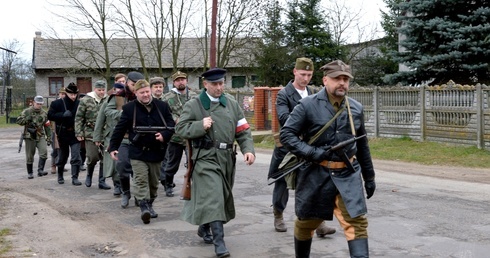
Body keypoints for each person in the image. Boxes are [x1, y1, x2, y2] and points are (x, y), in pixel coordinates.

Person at [280, 60, 376, 258]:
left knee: (357, 223)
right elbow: (287, 135)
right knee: (306, 223)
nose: (342, 83)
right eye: (337, 78)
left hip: (348, 173)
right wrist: (312, 153)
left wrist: (369, 177)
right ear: (325, 80)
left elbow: (362, 145)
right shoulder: (307, 105)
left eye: (345, 79)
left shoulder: (356, 108)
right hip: (316, 174)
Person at [176, 68, 255, 258]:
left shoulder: (232, 104)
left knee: (220, 196)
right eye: (214, 84)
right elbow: (180, 128)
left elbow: (243, 130)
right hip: (205, 158)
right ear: (205, 85)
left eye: (221, 84)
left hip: (227, 158)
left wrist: (248, 150)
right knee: (214, 197)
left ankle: (204, 227)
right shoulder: (194, 105)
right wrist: (199, 126)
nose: (219, 88)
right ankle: (220, 243)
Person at [268, 57, 336, 236]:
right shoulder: (284, 94)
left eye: (309, 74)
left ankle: (317, 223)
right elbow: (284, 119)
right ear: (295, 72)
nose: (306, 78)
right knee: (282, 183)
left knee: (313, 184)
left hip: (310, 146)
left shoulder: (314, 91)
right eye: (303, 74)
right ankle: (279, 215)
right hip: (288, 147)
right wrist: (309, 124)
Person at [109, 79, 175, 224]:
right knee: (140, 179)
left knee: (153, 183)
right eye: (141, 92)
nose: (145, 95)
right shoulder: (129, 109)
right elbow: (119, 130)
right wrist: (113, 147)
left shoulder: (162, 106)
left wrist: (164, 135)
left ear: (150, 91)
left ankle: (150, 203)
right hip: (137, 151)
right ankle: (144, 206)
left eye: (147, 92)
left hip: (157, 151)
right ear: (136, 93)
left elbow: (171, 125)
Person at [105, 71, 144, 208]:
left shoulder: (143, 97)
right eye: (133, 84)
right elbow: (107, 111)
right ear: (127, 83)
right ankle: (126, 192)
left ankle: (139, 195)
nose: (136, 87)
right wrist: (122, 113)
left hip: (140, 138)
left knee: (139, 169)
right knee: (122, 165)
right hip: (123, 137)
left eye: (138, 85)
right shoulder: (118, 97)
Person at [160, 71, 197, 197]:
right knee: (172, 163)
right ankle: (168, 184)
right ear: (174, 82)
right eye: (178, 80)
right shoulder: (167, 97)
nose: (181, 82)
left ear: (186, 81)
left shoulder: (194, 95)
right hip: (175, 136)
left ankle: (192, 185)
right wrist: (175, 118)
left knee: (193, 161)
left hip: (191, 135)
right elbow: (165, 114)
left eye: (183, 79)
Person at [75, 80, 113, 190]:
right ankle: (89, 176)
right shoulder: (86, 100)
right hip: (90, 132)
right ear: (95, 89)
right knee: (92, 157)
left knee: (104, 158)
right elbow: (79, 117)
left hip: (105, 133)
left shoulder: (108, 99)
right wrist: (79, 132)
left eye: (103, 90)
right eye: (99, 90)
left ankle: (102, 181)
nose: (101, 92)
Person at [93, 81, 126, 196]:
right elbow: (100, 120)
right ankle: (117, 185)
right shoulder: (108, 101)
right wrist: (97, 137)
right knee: (114, 162)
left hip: (125, 136)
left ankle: (124, 185)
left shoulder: (128, 99)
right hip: (110, 135)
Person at [48, 83, 83, 185]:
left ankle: (75, 177)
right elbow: (50, 115)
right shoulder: (57, 103)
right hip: (62, 133)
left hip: (75, 133)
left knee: (76, 156)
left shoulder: (79, 104)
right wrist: (62, 115)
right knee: (63, 156)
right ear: (66, 93)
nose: (73, 96)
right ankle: (60, 175)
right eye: (71, 94)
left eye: (75, 94)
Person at [17, 96, 52, 179]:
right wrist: (27, 119)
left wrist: (49, 137)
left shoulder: (44, 113)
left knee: (43, 152)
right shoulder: (27, 111)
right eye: (37, 103)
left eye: (41, 104)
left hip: (40, 134)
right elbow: (18, 121)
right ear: (33, 103)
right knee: (30, 155)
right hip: (29, 135)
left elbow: (47, 125)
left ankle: (40, 170)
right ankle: (30, 172)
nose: (39, 105)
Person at [50, 87, 66, 174]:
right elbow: (51, 115)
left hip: (65, 129)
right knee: (55, 148)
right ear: (59, 94)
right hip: (56, 128)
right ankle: (53, 165)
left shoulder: (68, 103)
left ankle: (61, 165)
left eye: (65, 94)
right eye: (62, 94)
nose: (63, 95)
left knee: (63, 149)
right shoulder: (55, 103)